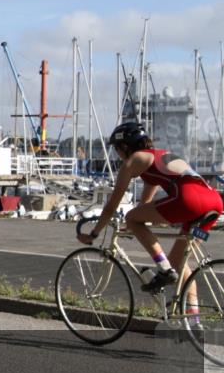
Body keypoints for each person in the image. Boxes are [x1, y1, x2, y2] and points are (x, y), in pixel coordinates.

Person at [78, 121, 223, 295]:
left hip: (190, 201)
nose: (117, 155)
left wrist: (94, 234)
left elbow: (112, 205)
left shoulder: (134, 159)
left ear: (124, 146)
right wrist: (133, 226)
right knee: (179, 265)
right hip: (214, 203)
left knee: (131, 217)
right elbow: (145, 207)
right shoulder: (157, 157)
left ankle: (164, 269)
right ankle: (193, 319)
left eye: (117, 149)